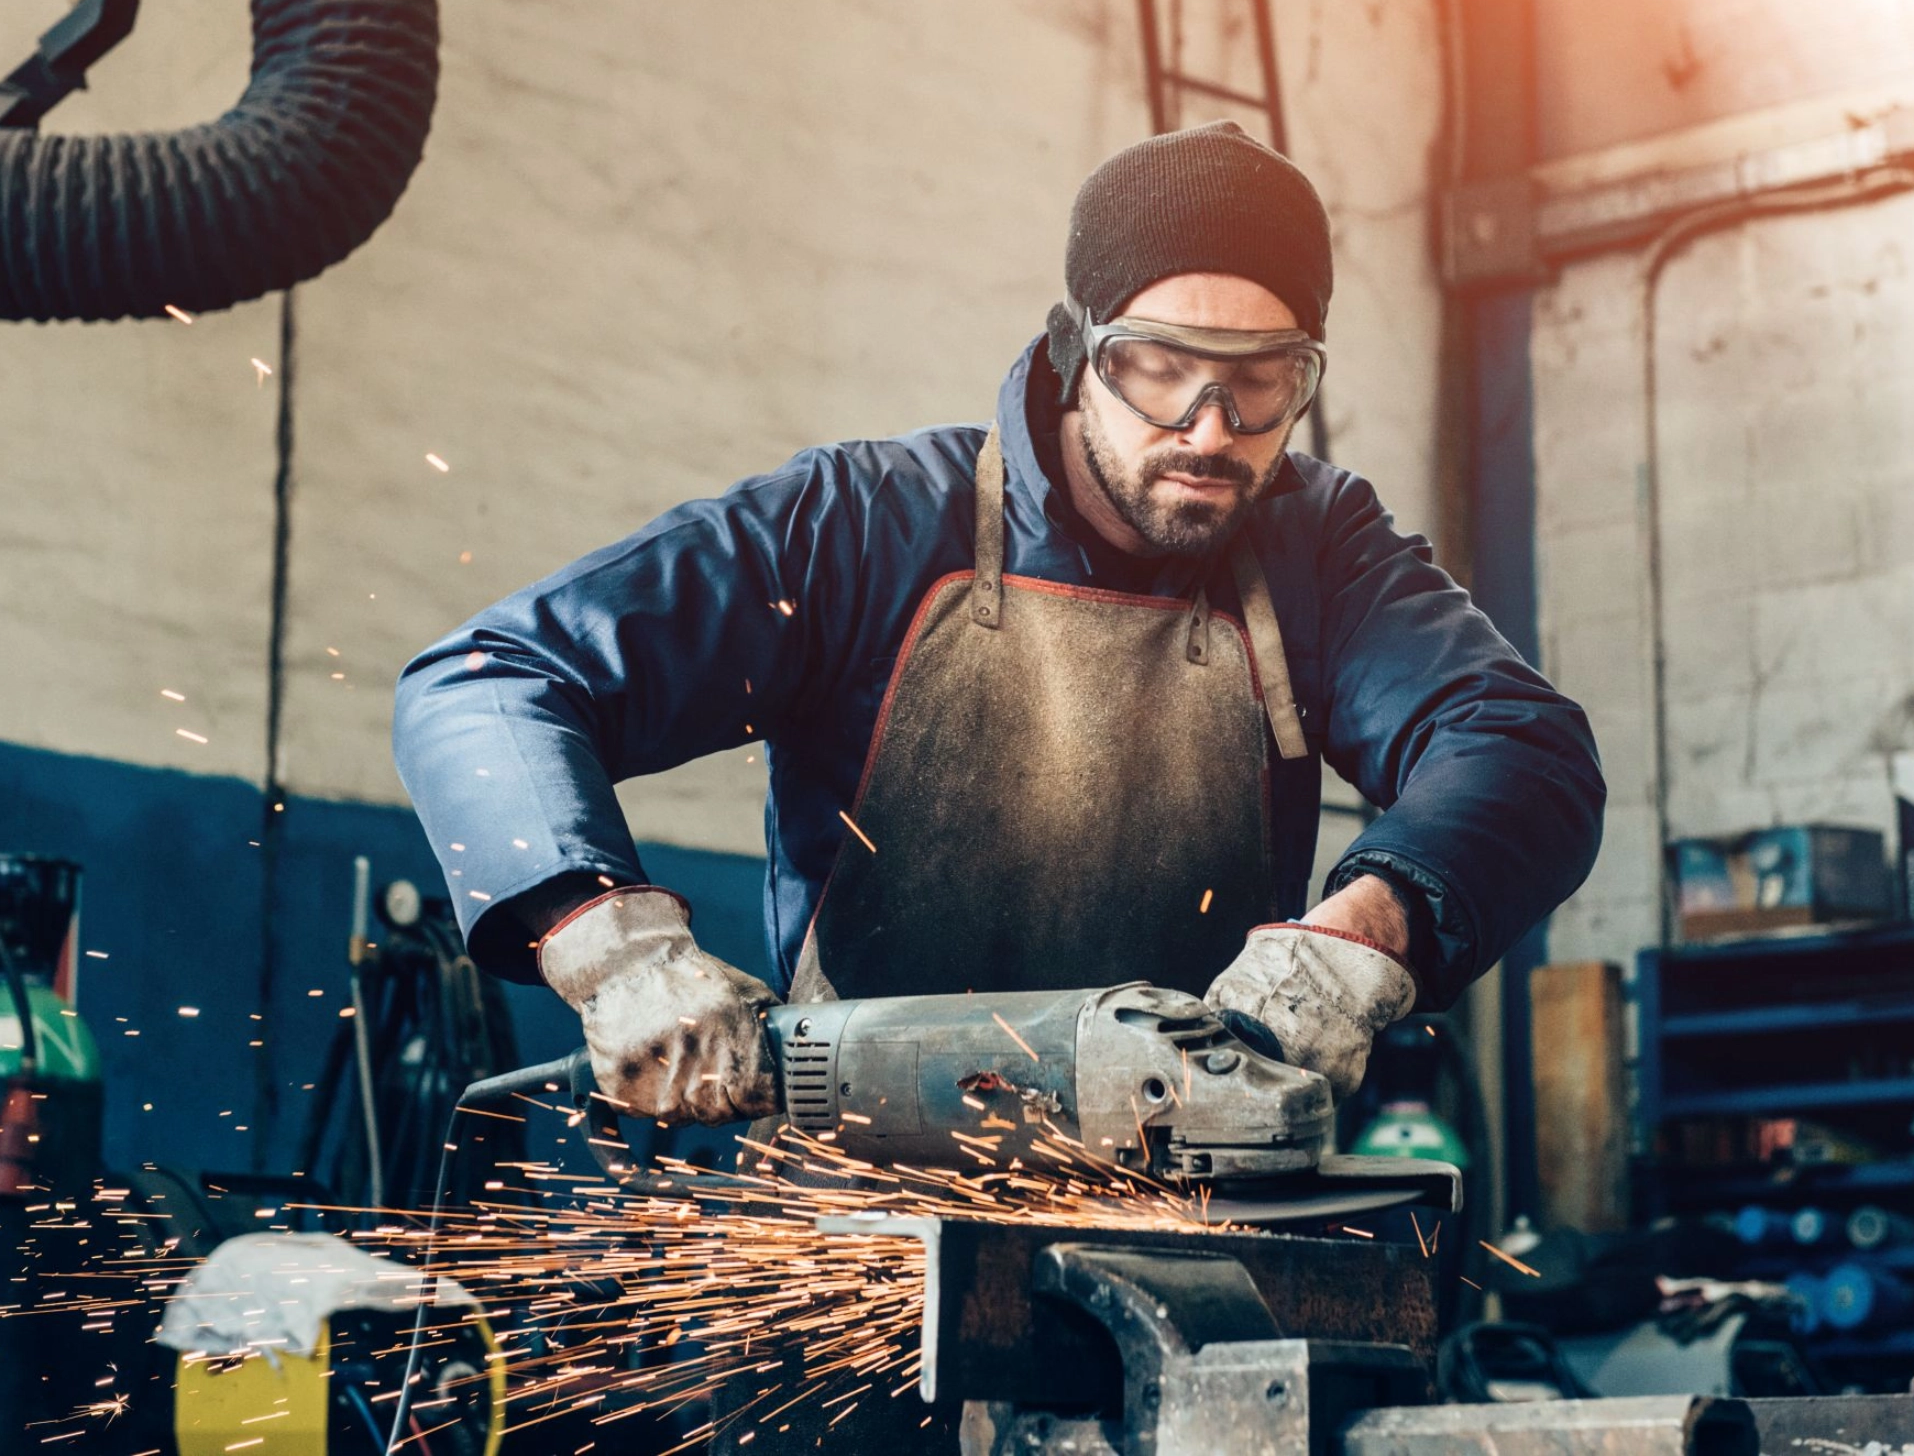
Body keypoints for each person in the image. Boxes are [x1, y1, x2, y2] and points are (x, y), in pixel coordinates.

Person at [395, 119, 1604, 1138]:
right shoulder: (862, 528)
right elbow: (493, 678)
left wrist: (1364, 931)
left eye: (1263, 380)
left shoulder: (1315, 547)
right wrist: (609, 948)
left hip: (1189, 1189)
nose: (1211, 428)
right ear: (1078, 350)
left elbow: (1522, 750)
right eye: (1159, 368)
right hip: (855, 1207)